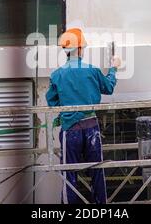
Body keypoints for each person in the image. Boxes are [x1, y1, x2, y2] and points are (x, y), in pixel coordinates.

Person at [45, 28, 121, 204]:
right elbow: (108, 87)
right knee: (97, 170)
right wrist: (113, 68)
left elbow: (52, 102)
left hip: (70, 130)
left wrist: (66, 111)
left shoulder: (57, 75)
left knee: (69, 173)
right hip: (91, 127)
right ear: (79, 49)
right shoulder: (92, 71)